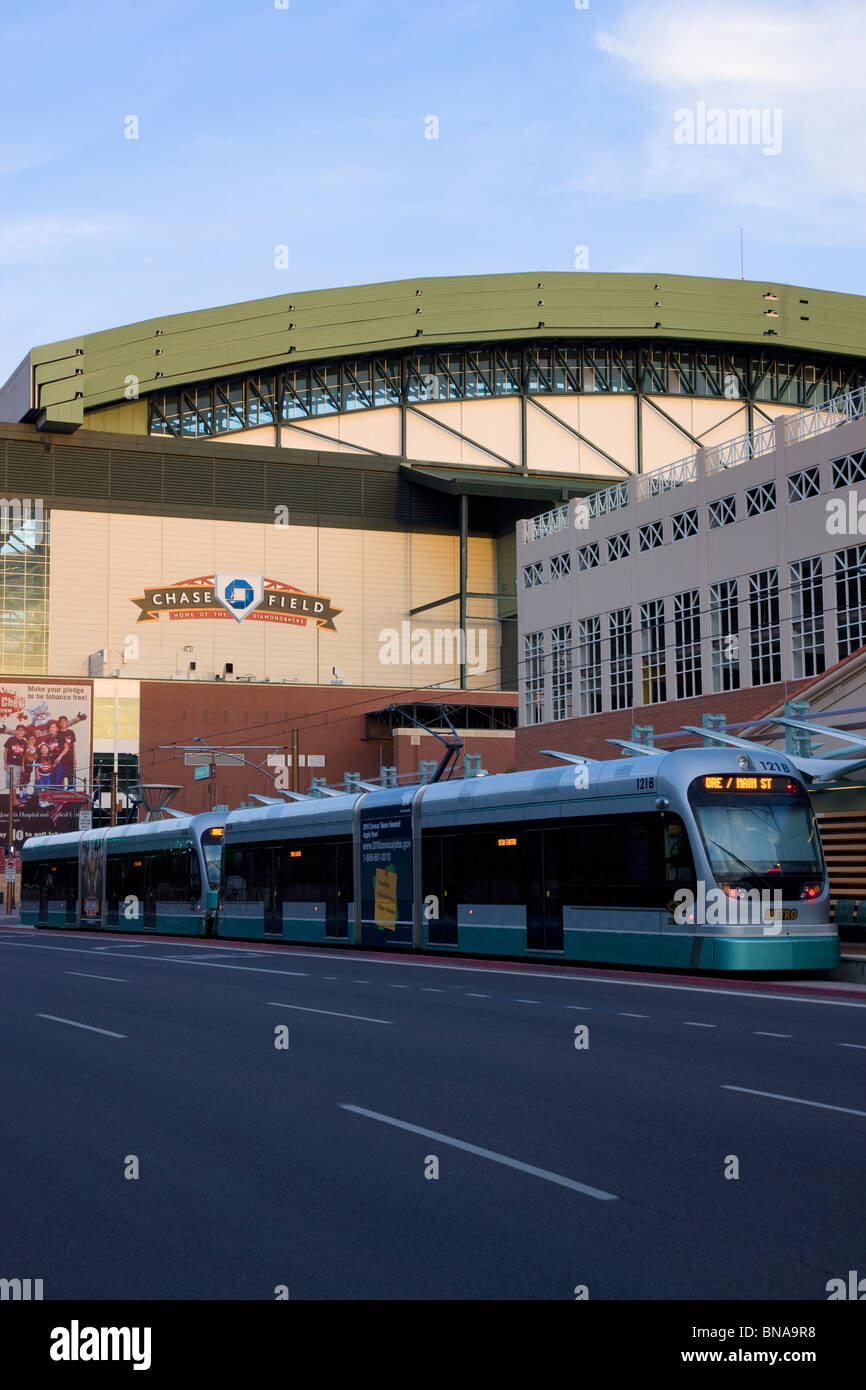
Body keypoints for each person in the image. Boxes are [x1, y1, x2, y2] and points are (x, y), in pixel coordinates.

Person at [4, 724, 27, 806]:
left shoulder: (24, 742)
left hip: (19, 765)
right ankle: (14, 800)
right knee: (12, 782)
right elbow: (6, 751)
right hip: (11, 764)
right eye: (19, 730)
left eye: (22, 730)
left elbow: (23, 756)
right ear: (16, 731)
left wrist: (23, 766)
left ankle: (13, 799)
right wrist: (5, 764)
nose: (20, 731)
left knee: (16, 782)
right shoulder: (11, 739)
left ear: (24, 732)